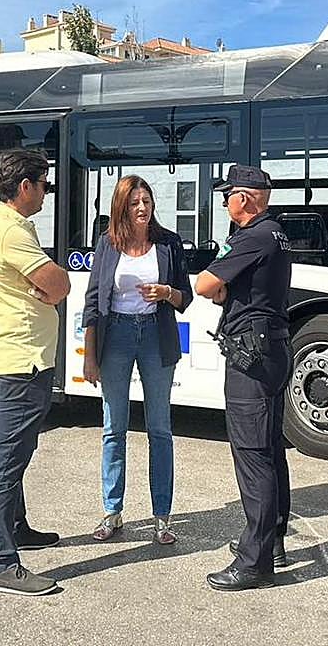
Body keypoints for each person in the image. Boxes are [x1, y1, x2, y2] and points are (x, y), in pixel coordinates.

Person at [0, 148, 71, 596]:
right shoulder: (11, 231)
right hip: (20, 359)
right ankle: (0, 561)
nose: (47, 193)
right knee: (7, 458)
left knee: (18, 450)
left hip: (27, 356)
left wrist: (46, 290)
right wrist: (50, 290)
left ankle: (16, 528)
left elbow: (49, 286)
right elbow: (61, 284)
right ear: (25, 186)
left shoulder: (10, 227)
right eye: (44, 184)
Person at [81, 175, 194, 545]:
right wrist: (89, 355)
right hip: (117, 336)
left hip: (156, 336)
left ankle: (162, 516)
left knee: (159, 428)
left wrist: (167, 292)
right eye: (134, 202)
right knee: (114, 428)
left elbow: (186, 298)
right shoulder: (107, 244)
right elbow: (93, 301)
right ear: (122, 208)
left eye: (146, 200)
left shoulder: (168, 243)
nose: (142, 208)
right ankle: (112, 512)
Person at [194, 165, 292, 591]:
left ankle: (254, 562)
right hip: (272, 347)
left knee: (252, 455)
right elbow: (223, 289)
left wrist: (219, 285)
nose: (224, 203)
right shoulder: (276, 233)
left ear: (245, 198)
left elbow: (204, 285)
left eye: (227, 195)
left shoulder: (251, 237)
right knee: (270, 449)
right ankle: (272, 543)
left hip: (251, 357)